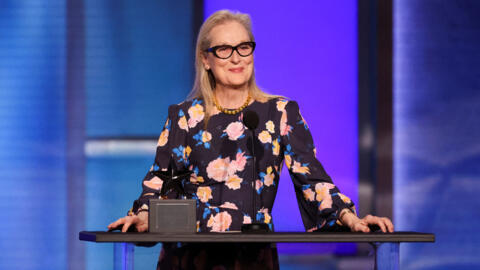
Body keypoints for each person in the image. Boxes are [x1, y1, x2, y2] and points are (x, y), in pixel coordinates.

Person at [108, 9, 394, 269]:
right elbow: (159, 179)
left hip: (251, 258)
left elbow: (313, 181)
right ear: (205, 59)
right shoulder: (184, 116)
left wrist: (352, 219)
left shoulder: (280, 113)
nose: (236, 57)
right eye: (224, 49)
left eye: (243, 47)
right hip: (189, 257)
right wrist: (143, 216)